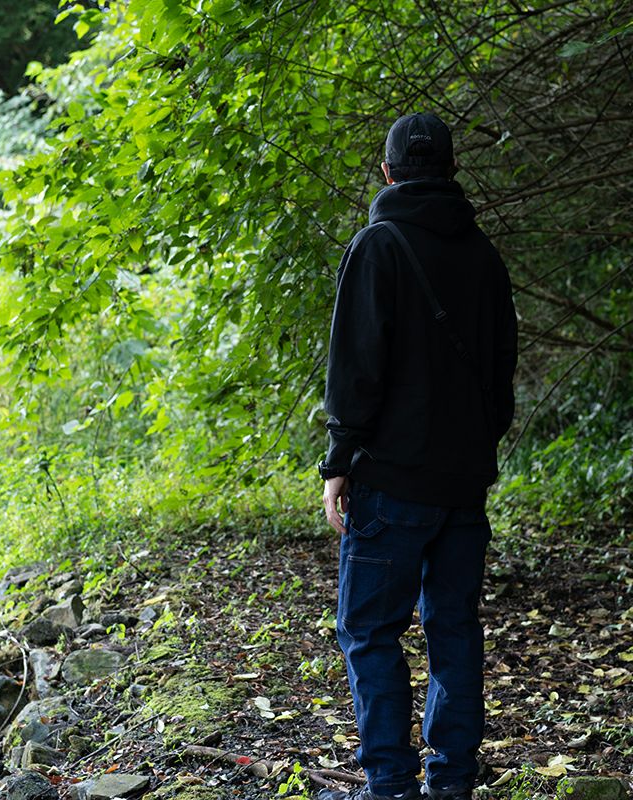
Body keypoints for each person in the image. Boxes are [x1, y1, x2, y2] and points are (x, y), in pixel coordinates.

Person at [317, 113, 518, 800]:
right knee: (454, 629)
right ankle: (452, 783)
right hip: (463, 484)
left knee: (370, 632)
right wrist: (477, 448)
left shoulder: (378, 245)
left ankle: (391, 786)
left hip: (391, 482)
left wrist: (339, 458)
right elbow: (501, 372)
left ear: (387, 172)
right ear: (453, 169)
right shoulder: (484, 255)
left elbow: (356, 367)